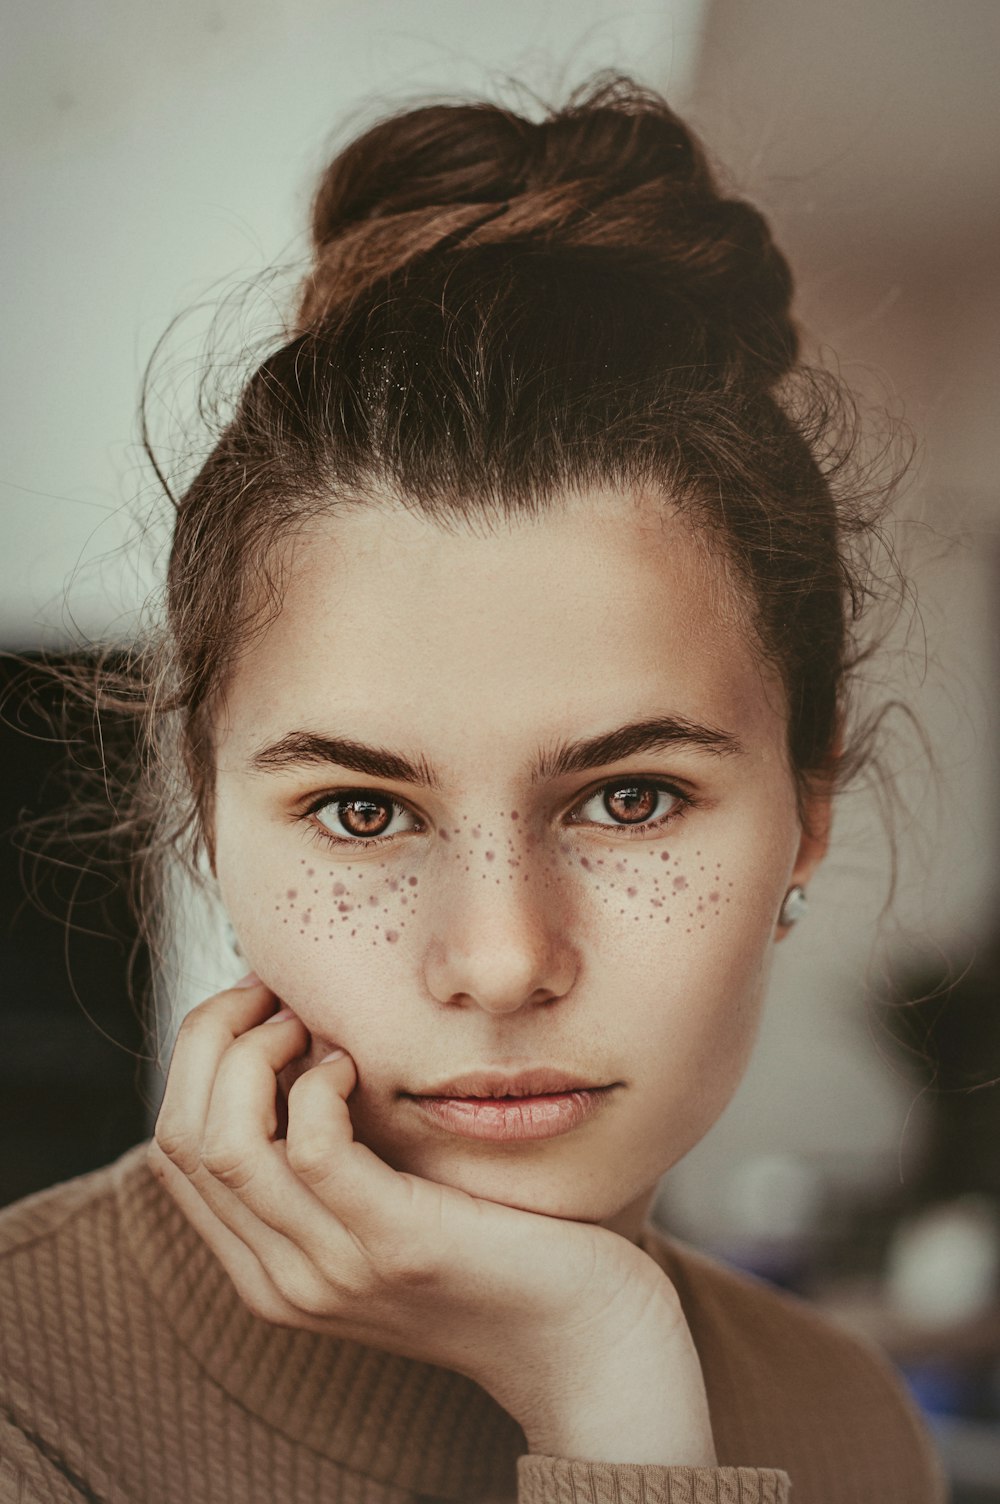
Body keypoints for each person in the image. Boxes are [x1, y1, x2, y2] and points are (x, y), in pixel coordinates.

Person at [0, 73, 947, 1504]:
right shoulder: (26, 1406)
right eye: (363, 811)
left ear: (807, 810)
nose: (501, 961)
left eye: (630, 798)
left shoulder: (848, 1426)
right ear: (205, 821)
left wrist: (609, 1383)